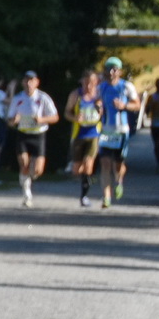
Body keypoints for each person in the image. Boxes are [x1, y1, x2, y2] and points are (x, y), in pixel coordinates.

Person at [6, 69, 59, 208]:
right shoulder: (18, 99)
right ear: (23, 82)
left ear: (37, 82)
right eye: (26, 80)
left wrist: (42, 119)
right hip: (23, 134)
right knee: (24, 164)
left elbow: (55, 117)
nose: (29, 83)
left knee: (37, 170)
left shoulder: (43, 98)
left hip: (38, 135)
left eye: (32, 80)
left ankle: (28, 179)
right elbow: (10, 121)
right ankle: (27, 195)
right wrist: (14, 120)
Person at [95, 56, 139, 206]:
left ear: (119, 71)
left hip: (121, 131)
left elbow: (137, 104)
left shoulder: (126, 86)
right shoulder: (101, 87)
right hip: (106, 130)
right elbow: (97, 100)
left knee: (118, 165)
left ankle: (119, 181)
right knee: (105, 163)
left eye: (114, 69)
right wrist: (99, 106)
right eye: (108, 68)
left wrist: (124, 106)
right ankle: (106, 197)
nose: (111, 72)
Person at [63, 70, 102, 206]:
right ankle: (77, 170)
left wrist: (100, 110)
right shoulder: (75, 95)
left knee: (88, 165)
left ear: (96, 82)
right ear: (82, 82)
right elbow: (67, 112)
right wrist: (74, 117)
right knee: (77, 169)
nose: (89, 86)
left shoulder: (99, 95)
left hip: (93, 135)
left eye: (92, 83)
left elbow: (105, 113)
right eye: (86, 83)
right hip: (79, 134)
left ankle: (84, 196)